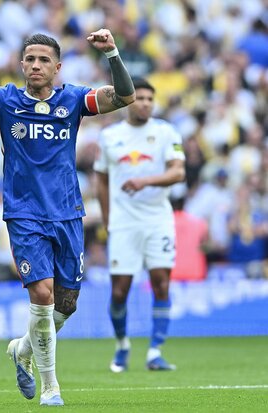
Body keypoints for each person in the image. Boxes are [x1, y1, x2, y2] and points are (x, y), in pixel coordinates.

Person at [0, 25, 136, 406]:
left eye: (43, 60)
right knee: (42, 295)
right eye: (29, 59)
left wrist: (112, 53)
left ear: (57, 67)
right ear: (21, 64)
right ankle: (51, 387)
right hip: (24, 213)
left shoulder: (74, 100)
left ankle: (23, 349)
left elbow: (125, 96)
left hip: (67, 212)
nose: (35, 65)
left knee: (66, 304)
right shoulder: (4, 100)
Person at [94, 78, 186, 373]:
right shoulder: (110, 136)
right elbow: (101, 180)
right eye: (140, 98)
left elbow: (178, 173)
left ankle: (155, 351)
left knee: (161, 284)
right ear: (128, 101)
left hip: (158, 220)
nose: (145, 103)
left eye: (149, 99)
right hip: (123, 223)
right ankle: (122, 344)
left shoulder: (166, 132)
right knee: (120, 291)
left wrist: (145, 181)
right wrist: (107, 219)